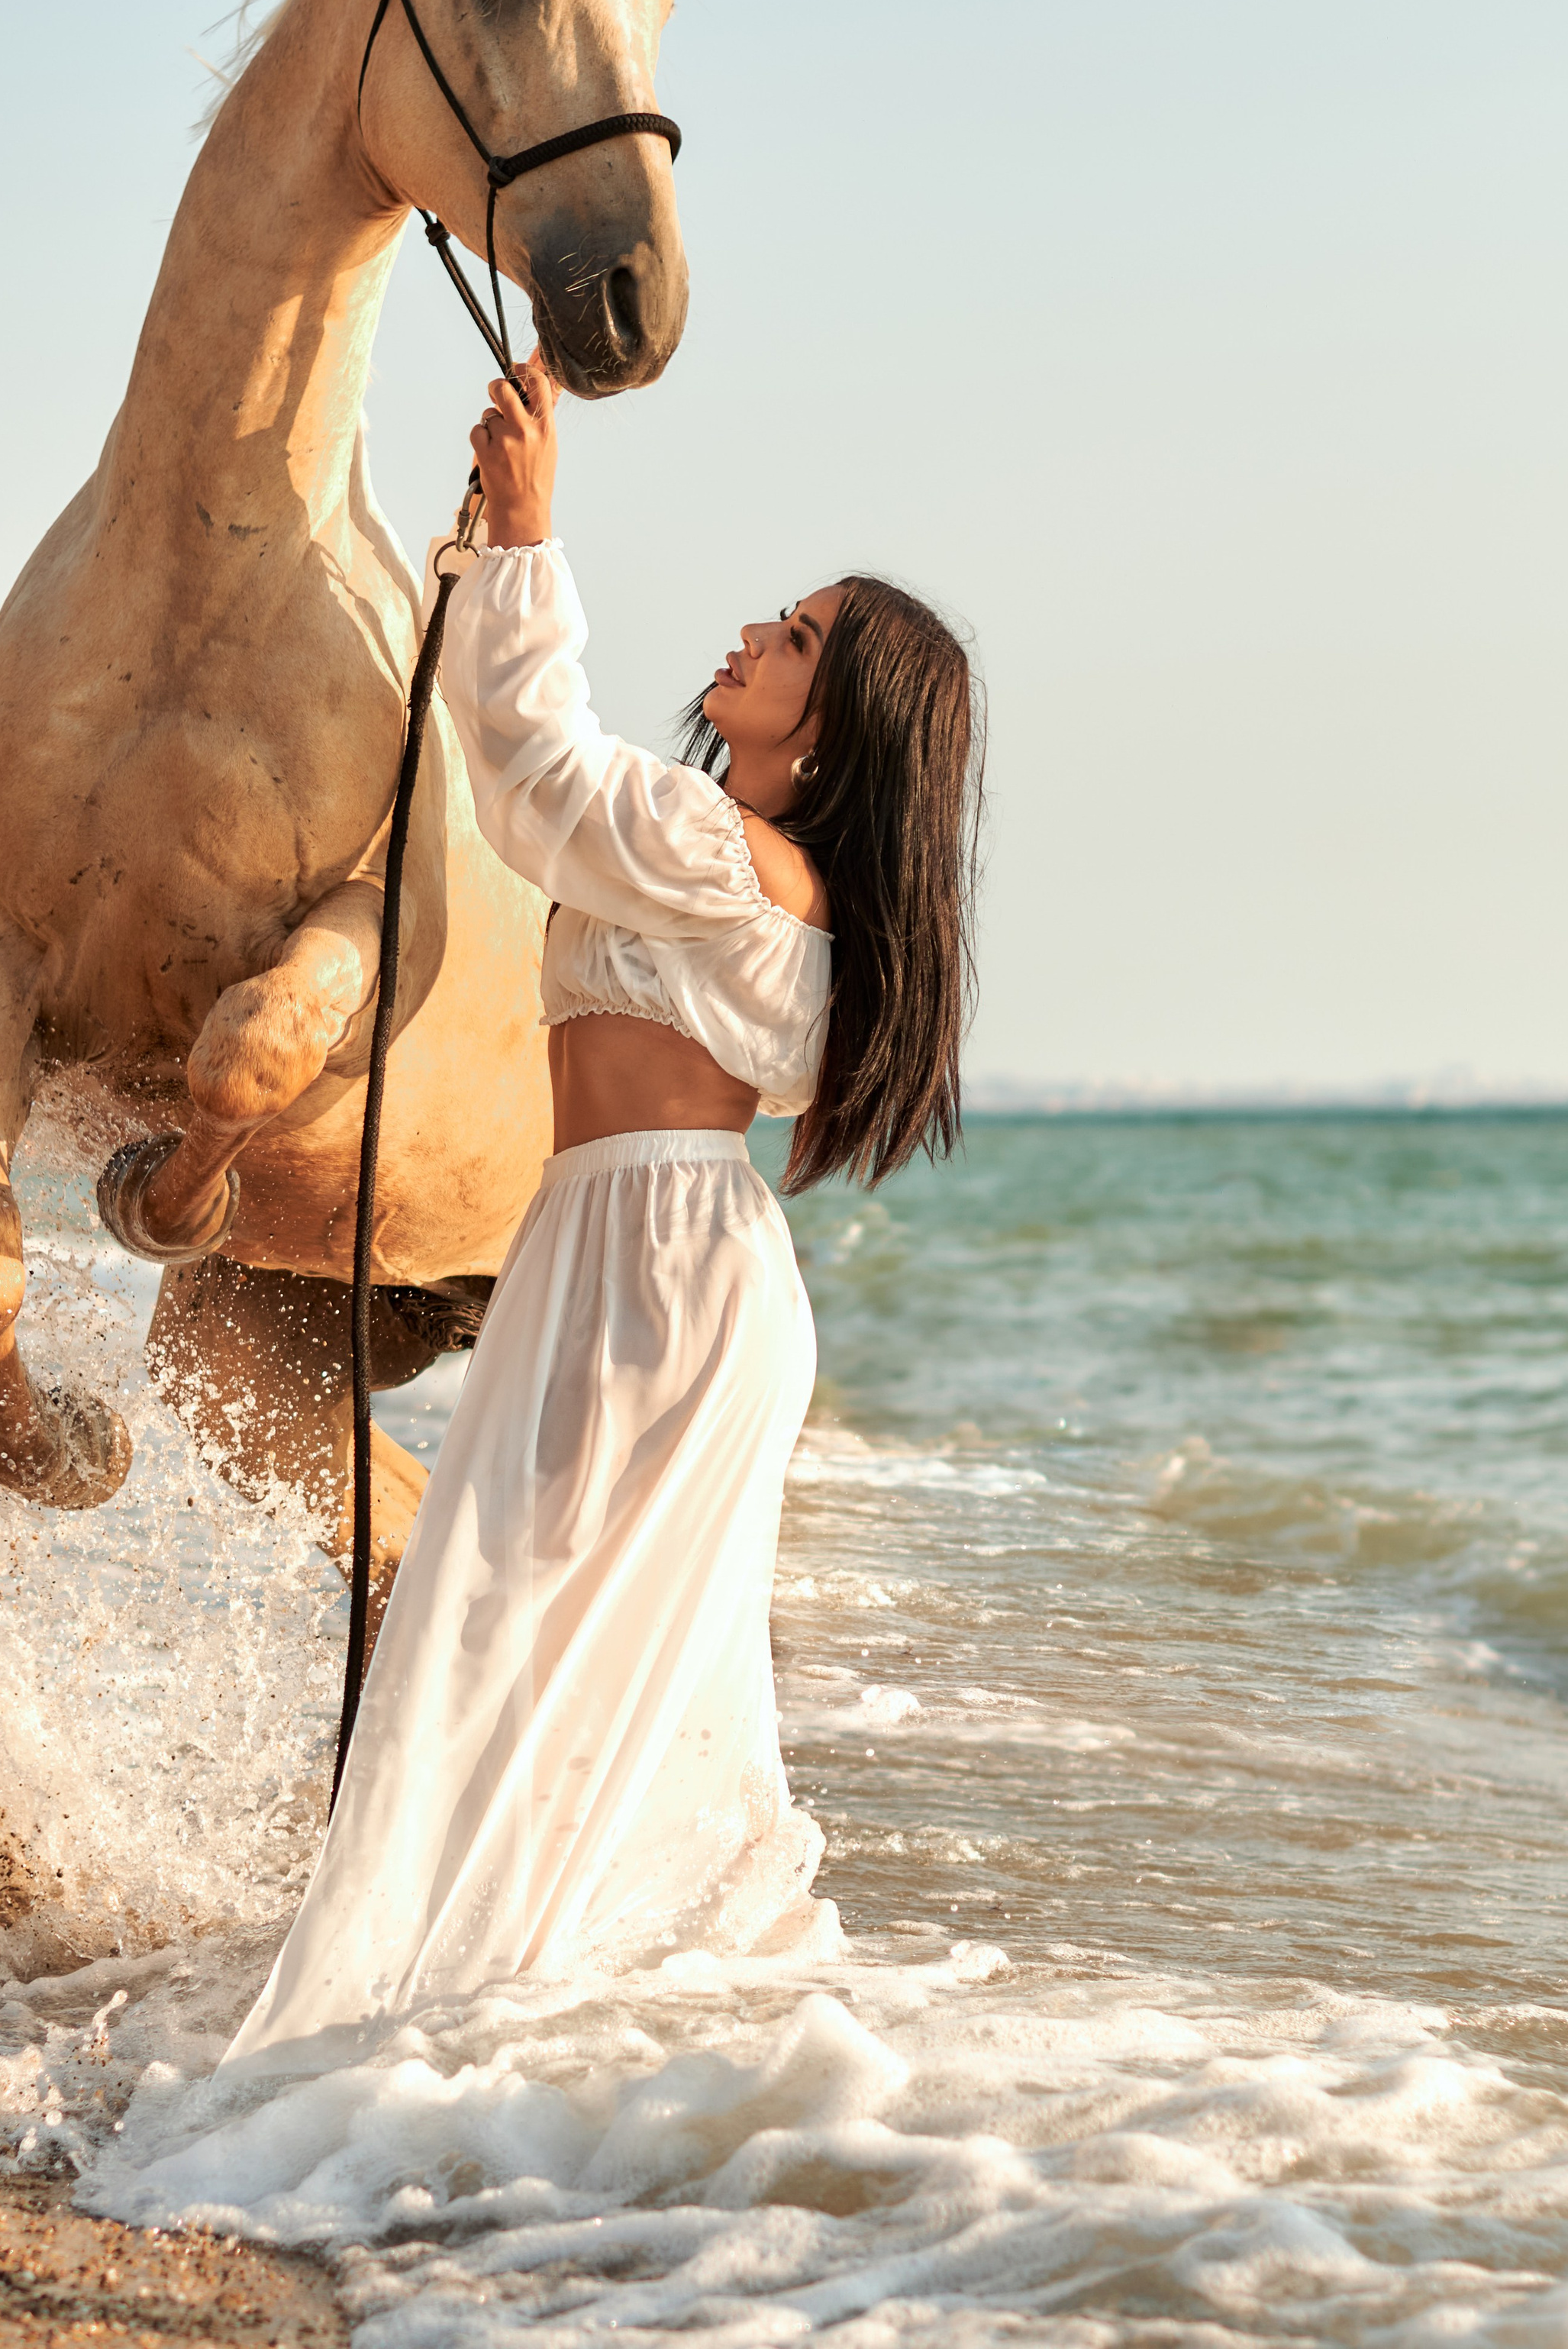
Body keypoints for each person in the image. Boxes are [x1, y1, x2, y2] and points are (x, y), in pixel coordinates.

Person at [222, 353, 982, 2067]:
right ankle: (561, 2038)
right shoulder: (762, 877)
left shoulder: (725, 860)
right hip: (649, 1262)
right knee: (585, 1659)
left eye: (790, 637)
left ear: (834, 710)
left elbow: (533, 770)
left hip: (650, 1276)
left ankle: (449, 2028)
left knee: (502, 1622)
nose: (751, 634)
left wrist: (529, 537)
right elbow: (540, 792)